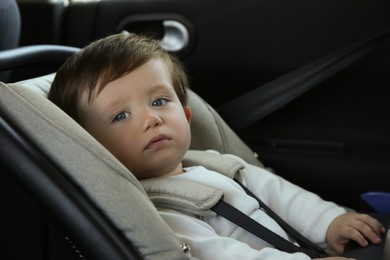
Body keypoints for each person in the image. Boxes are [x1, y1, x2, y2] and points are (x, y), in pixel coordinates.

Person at [48, 33, 386, 260]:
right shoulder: (158, 211)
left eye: (160, 101)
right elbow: (221, 255)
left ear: (186, 114)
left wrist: (329, 221)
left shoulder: (212, 165)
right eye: (121, 115)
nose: (150, 119)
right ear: (91, 146)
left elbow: (278, 194)